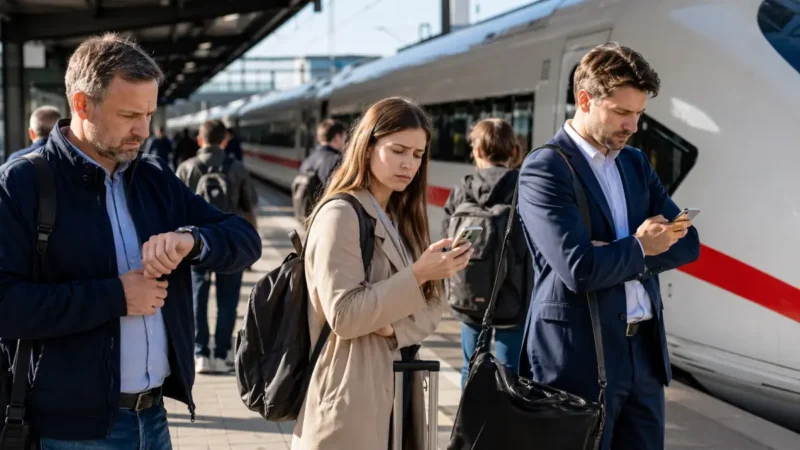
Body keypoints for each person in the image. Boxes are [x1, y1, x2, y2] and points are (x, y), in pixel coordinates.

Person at [0, 33, 261, 448]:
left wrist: (191, 240)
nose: (143, 130)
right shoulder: (24, 183)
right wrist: (115, 298)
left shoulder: (153, 178)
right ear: (82, 104)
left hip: (154, 420)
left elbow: (245, 238)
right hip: (70, 432)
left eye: (149, 114)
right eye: (129, 116)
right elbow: (6, 305)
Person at [517, 42, 700, 450]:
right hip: (575, 361)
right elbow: (579, 269)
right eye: (621, 112)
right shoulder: (545, 168)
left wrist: (619, 252)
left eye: (638, 113)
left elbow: (689, 244)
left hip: (644, 359)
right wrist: (639, 247)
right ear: (584, 100)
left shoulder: (634, 163)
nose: (632, 125)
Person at [292, 97, 472, 450]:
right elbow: (345, 316)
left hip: (398, 387)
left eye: (418, 155)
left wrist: (393, 326)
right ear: (367, 146)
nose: (409, 164)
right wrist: (418, 276)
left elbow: (434, 308)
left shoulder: (401, 215)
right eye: (398, 150)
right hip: (351, 394)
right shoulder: (340, 214)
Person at [441, 118, 531, 388]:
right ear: (514, 151)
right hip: (513, 294)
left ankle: (469, 424)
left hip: (470, 293)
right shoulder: (524, 186)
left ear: (477, 151)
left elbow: (448, 235)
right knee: (508, 372)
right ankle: (503, 428)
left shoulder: (464, 188)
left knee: (472, 365)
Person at [176, 119, 259, 374]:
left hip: (194, 243)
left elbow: (174, 208)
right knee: (227, 301)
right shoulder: (237, 168)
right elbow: (249, 205)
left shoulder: (186, 168)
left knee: (197, 297)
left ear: (200, 140)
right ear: (225, 140)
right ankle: (222, 354)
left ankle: (200, 353)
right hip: (229, 243)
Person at [298, 118, 347, 187]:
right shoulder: (337, 161)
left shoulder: (307, 160)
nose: (345, 143)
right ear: (337, 138)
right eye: (344, 138)